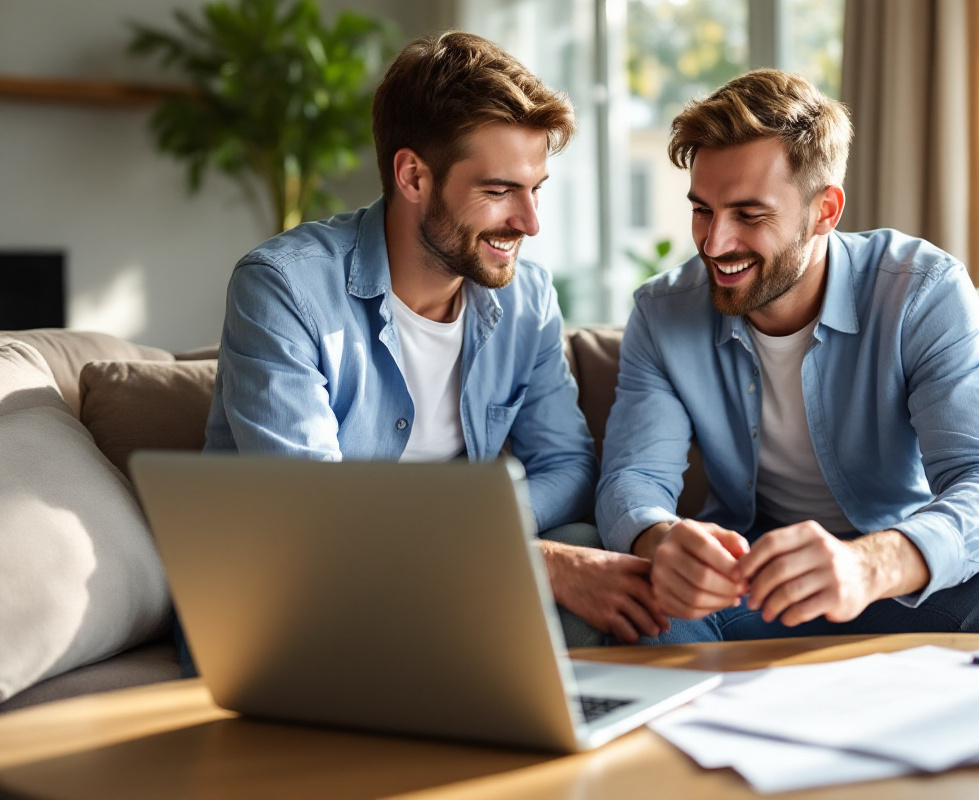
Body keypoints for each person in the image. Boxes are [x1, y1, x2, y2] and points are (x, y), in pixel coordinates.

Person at [202, 32, 667, 661]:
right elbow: (312, 522)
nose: (531, 223)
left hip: (454, 584)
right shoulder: (284, 287)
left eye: (537, 189)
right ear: (414, 175)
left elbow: (569, 467)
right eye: (500, 191)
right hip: (310, 593)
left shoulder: (526, 297)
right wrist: (523, 559)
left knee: (594, 549)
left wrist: (486, 546)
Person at [595, 70, 979, 644]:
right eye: (702, 209)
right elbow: (633, 478)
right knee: (650, 613)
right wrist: (659, 538)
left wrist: (869, 564)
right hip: (756, 581)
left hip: (905, 569)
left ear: (825, 211)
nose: (714, 243)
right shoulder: (662, 312)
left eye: (749, 216)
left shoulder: (921, 290)